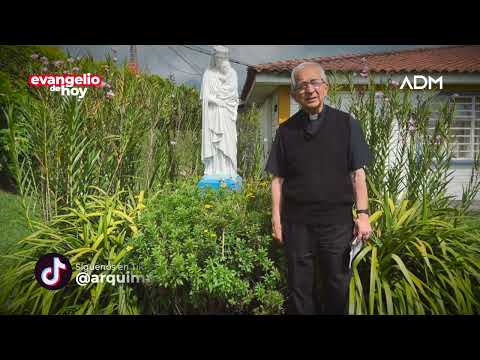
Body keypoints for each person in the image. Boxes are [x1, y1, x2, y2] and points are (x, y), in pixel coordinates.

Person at [265, 62, 373, 315]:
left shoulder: (347, 125)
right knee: (299, 291)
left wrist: (364, 215)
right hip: (298, 225)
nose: (309, 89)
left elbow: (358, 174)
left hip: (336, 226)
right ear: (294, 95)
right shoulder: (285, 132)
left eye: (314, 82)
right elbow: (277, 180)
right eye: (302, 85)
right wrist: (276, 221)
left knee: (337, 287)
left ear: (326, 87)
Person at [200, 45, 239, 178]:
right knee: (214, 142)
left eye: (223, 58)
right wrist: (216, 101)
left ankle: (228, 169)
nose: (220, 60)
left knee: (227, 141)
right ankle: (213, 169)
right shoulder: (208, 74)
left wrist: (226, 100)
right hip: (213, 113)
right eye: (218, 58)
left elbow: (234, 95)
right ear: (214, 58)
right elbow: (204, 96)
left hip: (227, 113)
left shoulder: (232, 73)